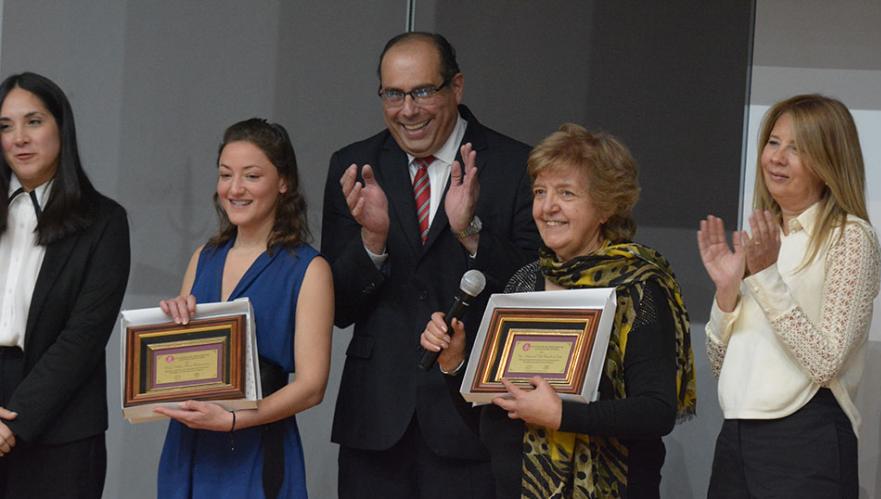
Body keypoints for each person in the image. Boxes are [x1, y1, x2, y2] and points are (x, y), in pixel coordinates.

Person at [421, 123, 697, 498]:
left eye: (566, 193)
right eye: (539, 192)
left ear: (606, 205)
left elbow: (656, 412)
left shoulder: (638, 288)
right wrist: (455, 366)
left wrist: (561, 416)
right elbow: (488, 422)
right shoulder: (525, 281)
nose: (547, 207)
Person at [321, 32, 539, 498]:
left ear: (456, 87)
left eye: (422, 91)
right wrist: (372, 240)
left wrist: (471, 231)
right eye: (393, 94)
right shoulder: (355, 165)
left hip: (473, 420)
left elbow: (532, 290)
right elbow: (336, 307)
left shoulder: (515, 164)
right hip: (375, 421)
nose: (408, 110)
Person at [697, 94, 881, 498]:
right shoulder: (763, 239)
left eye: (797, 148)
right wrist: (726, 293)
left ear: (829, 160)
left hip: (806, 438)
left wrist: (765, 276)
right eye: (773, 142)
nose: (777, 158)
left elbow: (826, 361)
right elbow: (719, 366)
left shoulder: (850, 237)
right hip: (735, 437)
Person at [156, 118, 333, 498]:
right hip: (188, 443)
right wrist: (168, 326)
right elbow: (174, 370)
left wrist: (234, 420)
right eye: (225, 175)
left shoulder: (308, 269)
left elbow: (312, 387)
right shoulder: (203, 256)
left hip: (257, 445)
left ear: (283, 182)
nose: (234, 189)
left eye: (251, 176)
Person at [0, 72, 130, 498]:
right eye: (5, 126)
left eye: (33, 121)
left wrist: (13, 418)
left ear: (61, 128)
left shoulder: (104, 221)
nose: (19, 138)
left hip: (64, 423)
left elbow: (84, 337)